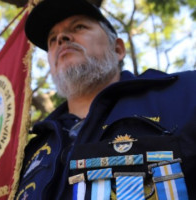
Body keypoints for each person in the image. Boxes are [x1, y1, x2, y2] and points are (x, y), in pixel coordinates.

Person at [16, 0, 196, 199]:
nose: (61, 38)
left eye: (79, 27)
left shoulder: (186, 91)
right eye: (52, 40)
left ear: (117, 49)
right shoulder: (27, 153)